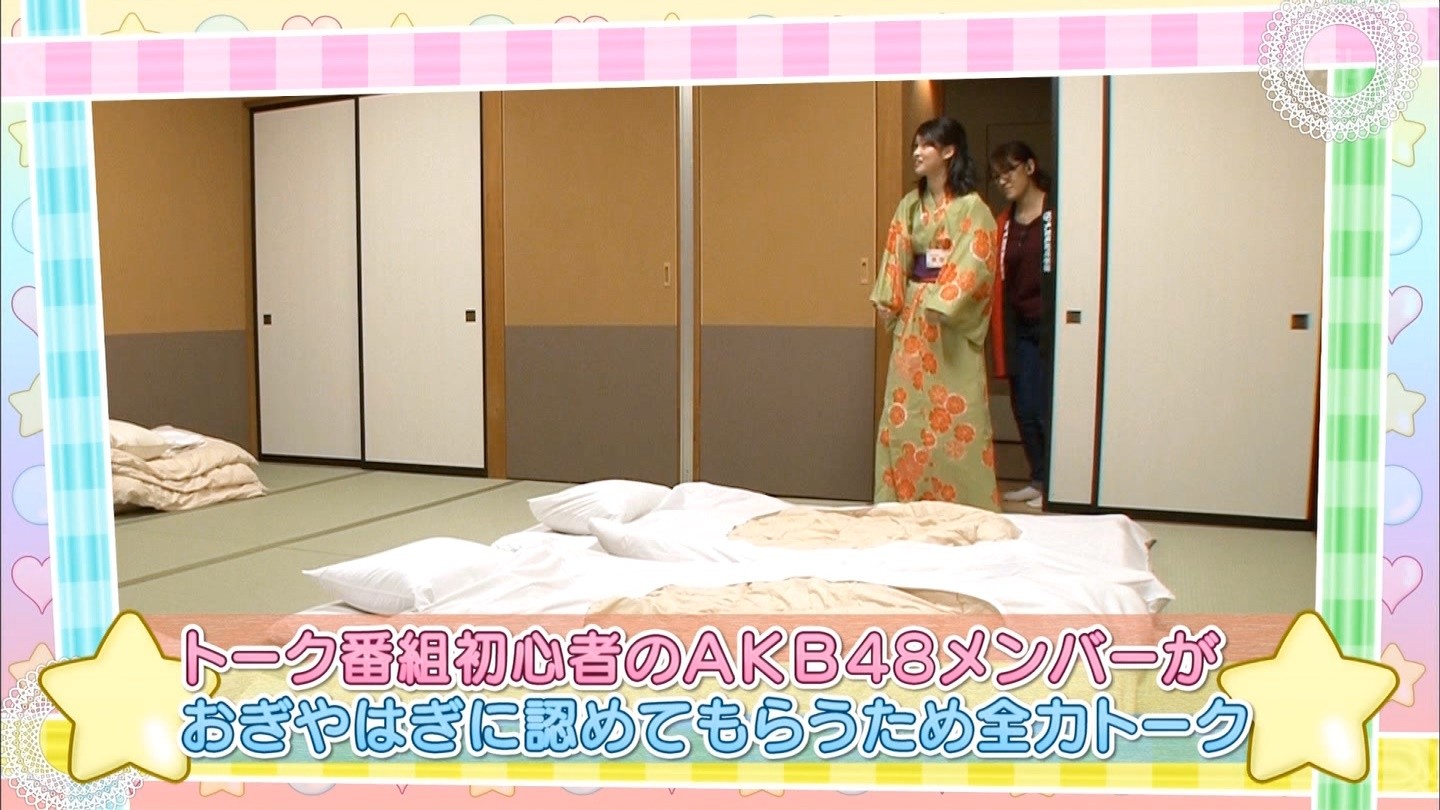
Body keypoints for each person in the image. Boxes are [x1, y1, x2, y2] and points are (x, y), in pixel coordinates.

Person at [870, 117, 1002, 511]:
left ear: (948, 151)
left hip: (950, 322)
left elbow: (977, 259)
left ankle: (964, 500)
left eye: (925, 145)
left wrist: (945, 300)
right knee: (906, 411)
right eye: (915, 145)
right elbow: (896, 255)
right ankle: (903, 498)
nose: (917, 152)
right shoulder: (909, 207)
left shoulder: (972, 208)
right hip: (915, 316)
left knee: (958, 412)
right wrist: (891, 299)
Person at [988, 141, 1057, 509]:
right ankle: (1038, 477)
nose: (1003, 180)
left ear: (1029, 168)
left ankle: (1055, 482)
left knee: (1047, 407)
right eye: (997, 176)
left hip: (1052, 327)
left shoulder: (1054, 213)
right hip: (1019, 327)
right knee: (1025, 406)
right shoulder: (1004, 222)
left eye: (1009, 171)